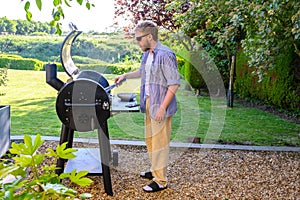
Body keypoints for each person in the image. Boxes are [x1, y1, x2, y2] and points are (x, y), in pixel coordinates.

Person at [115, 20, 180, 192]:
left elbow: (173, 84)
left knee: (160, 142)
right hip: (149, 100)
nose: (137, 42)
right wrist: (125, 76)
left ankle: (161, 181)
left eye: (138, 39)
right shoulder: (147, 54)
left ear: (149, 36)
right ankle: (155, 171)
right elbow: (143, 71)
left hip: (161, 103)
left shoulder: (165, 55)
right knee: (150, 140)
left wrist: (162, 108)